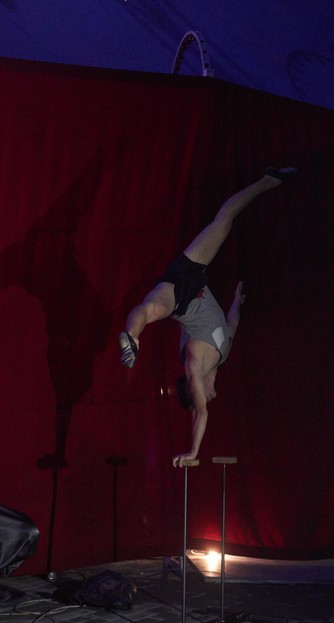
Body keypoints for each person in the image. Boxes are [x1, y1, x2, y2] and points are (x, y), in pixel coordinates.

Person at [119, 166, 298, 467]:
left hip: (178, 296)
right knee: (224, 223)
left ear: (195, 390)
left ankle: (132, 338)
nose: (210, 396)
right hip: (195, 279)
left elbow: (200, 413)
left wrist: (193, 452)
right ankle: (269, 180)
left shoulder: (194, 365)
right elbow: (232, 325)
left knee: (150, 310)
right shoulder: (221, 356)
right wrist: (237, 302)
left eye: (202, 394)